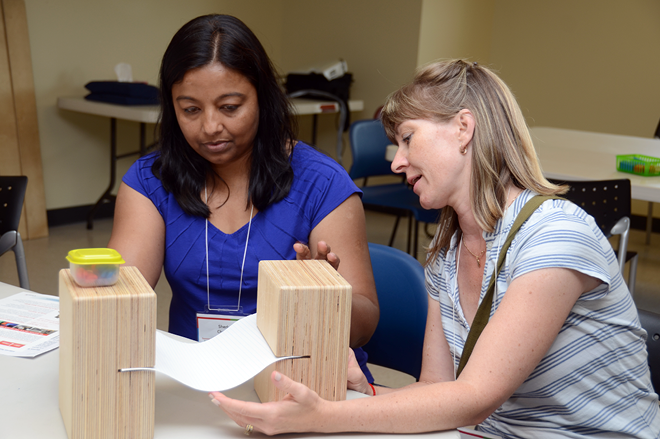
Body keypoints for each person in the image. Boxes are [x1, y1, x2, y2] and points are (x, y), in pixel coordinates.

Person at [212, 60, 660, 438]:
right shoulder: (446, 254)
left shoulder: (555, 233)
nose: (396, 160)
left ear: (463, 128)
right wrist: (363, 392)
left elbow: (472, 399)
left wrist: (323, 415)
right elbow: (438, 394)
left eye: (407, 138)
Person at [107, 14, 379, 378]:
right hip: (197, 381)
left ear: (263, 99)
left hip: (300, 379)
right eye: (190, 109)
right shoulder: (151, 180)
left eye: (230, 107)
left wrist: (323, 299)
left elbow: (364, 327)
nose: (210, 126)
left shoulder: (323, 182)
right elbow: (119, 302)